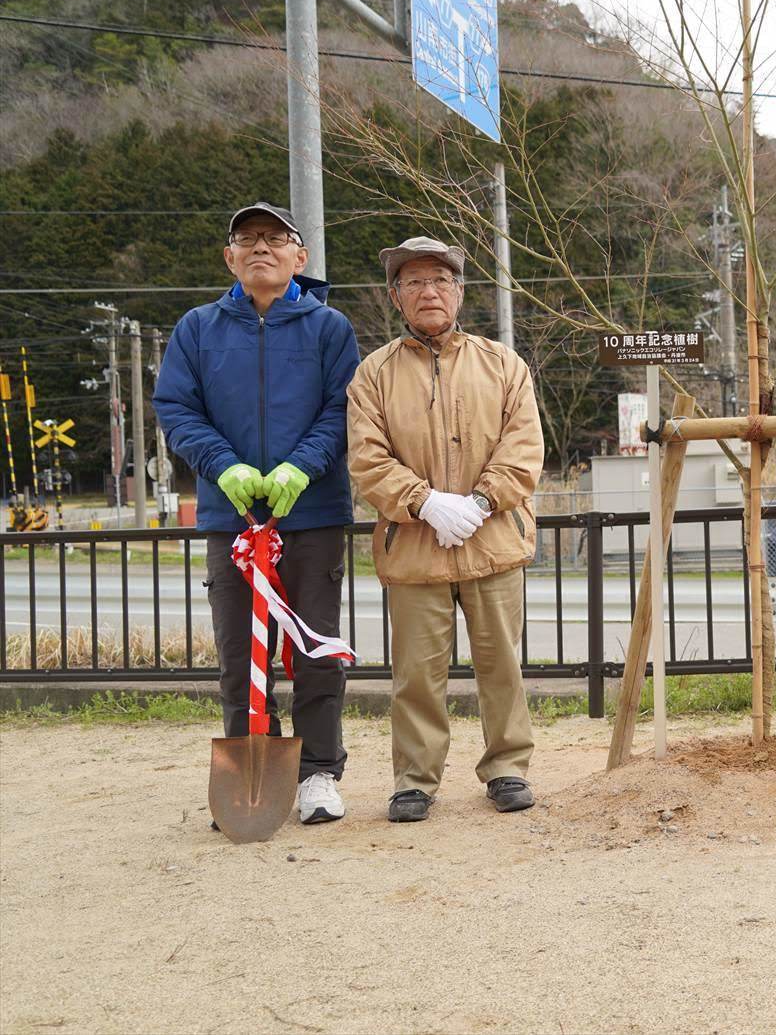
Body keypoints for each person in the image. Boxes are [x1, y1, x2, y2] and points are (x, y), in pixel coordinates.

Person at [154, 201, 358, 824]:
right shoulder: (197, 327)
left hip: (312, 514)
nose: (260, 247)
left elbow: (343, 408)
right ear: (229, 256)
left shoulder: (329, 328)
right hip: (231, 519)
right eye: (247, 238)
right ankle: (252, 770)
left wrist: (302, 465)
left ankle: (319, 773)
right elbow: (176, 408)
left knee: (316, 652)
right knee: (239, 656)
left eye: (276, 238)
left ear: (301, 256)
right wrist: (223, 464)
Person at [346, 236, 545, 822]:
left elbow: (524, 447)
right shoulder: (373, 373)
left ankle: (507, 767)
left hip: (494, 540)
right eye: (413, 283)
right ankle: (414, 778)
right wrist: (425, 502)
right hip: (412, 544)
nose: (428, 291)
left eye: (440, 280)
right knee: (415, 674)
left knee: (502, 664)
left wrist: (481, 502)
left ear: (459, 292)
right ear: (396, 297)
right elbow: (367, 458)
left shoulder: (502, 364)